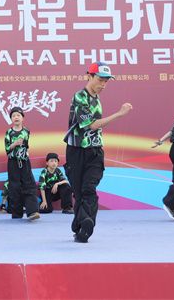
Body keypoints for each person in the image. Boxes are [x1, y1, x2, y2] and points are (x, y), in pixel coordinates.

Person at [64, 62, 132, 243]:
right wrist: (119, 114)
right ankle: (79, 226)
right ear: (89, 76)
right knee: (79, 192)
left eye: (106, 81)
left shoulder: (97, 99)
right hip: (76, 151)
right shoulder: (80, 97)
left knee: (89, 189)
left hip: (95, 152)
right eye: (100, 80)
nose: (103, 85)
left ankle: (87, 223)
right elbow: (91, 125)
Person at [4, 106, 40, 221]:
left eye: (18, 115)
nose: (16, 117)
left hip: (24, 161)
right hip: (13, 162)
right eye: (13, 116)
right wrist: (14, 144)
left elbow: (26, 146)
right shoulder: (9, 132)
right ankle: (16, 213)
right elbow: (7, 149)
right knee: (14, 187)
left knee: (29, 185)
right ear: (11, 119)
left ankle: (32, 211)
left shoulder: (26, 131)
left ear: (22, 118)